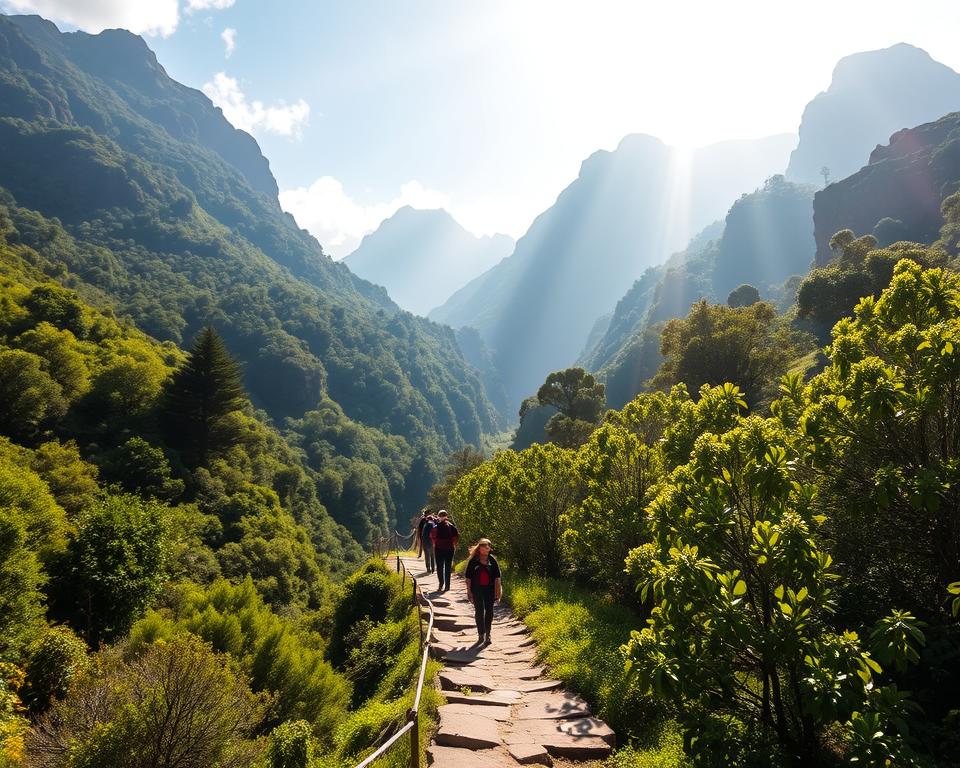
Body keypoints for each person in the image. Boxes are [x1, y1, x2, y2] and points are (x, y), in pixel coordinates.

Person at [465, 538, 501, 646]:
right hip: (477, 590)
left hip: (489, 590)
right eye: (484, 545)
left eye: (488, 545)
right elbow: (468, 577)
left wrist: (497, 591)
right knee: (479, 612)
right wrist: (469, 592)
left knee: (489, 611)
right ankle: (481, 634)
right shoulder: (473, 561)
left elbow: (497, 577)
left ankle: (488, 634)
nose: (487, 547)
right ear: (479, 548)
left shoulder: (492, 560)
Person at [430, 509, 459, 592]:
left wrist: (435, 543)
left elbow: (432, 537)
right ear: (447, 516)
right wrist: (452, 544)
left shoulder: (436, 527)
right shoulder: (452, 527)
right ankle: (447, 586)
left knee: (439, 567)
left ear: (438, 517)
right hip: (450, 549)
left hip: (439, 549)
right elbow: (456, 538)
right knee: (447, 567)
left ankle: (441, 584)